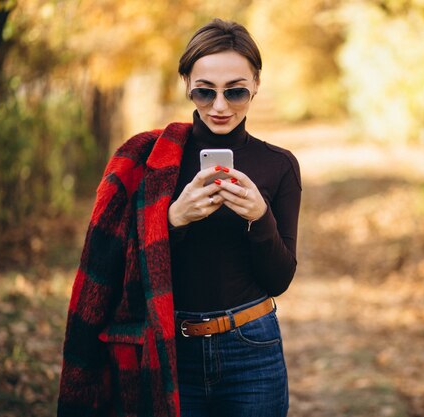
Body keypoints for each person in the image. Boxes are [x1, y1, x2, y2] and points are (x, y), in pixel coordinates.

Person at [57, 18, 301, 417]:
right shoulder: (148, 160)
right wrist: (171, 221)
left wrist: (261, 218)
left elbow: (280, 279)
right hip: (170, 348)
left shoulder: (279, 166)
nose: (220, 106)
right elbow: (119, 274)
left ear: (256, 83)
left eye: (236, 91)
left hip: (252, 350)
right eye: (205, 92)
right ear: (186, 82)